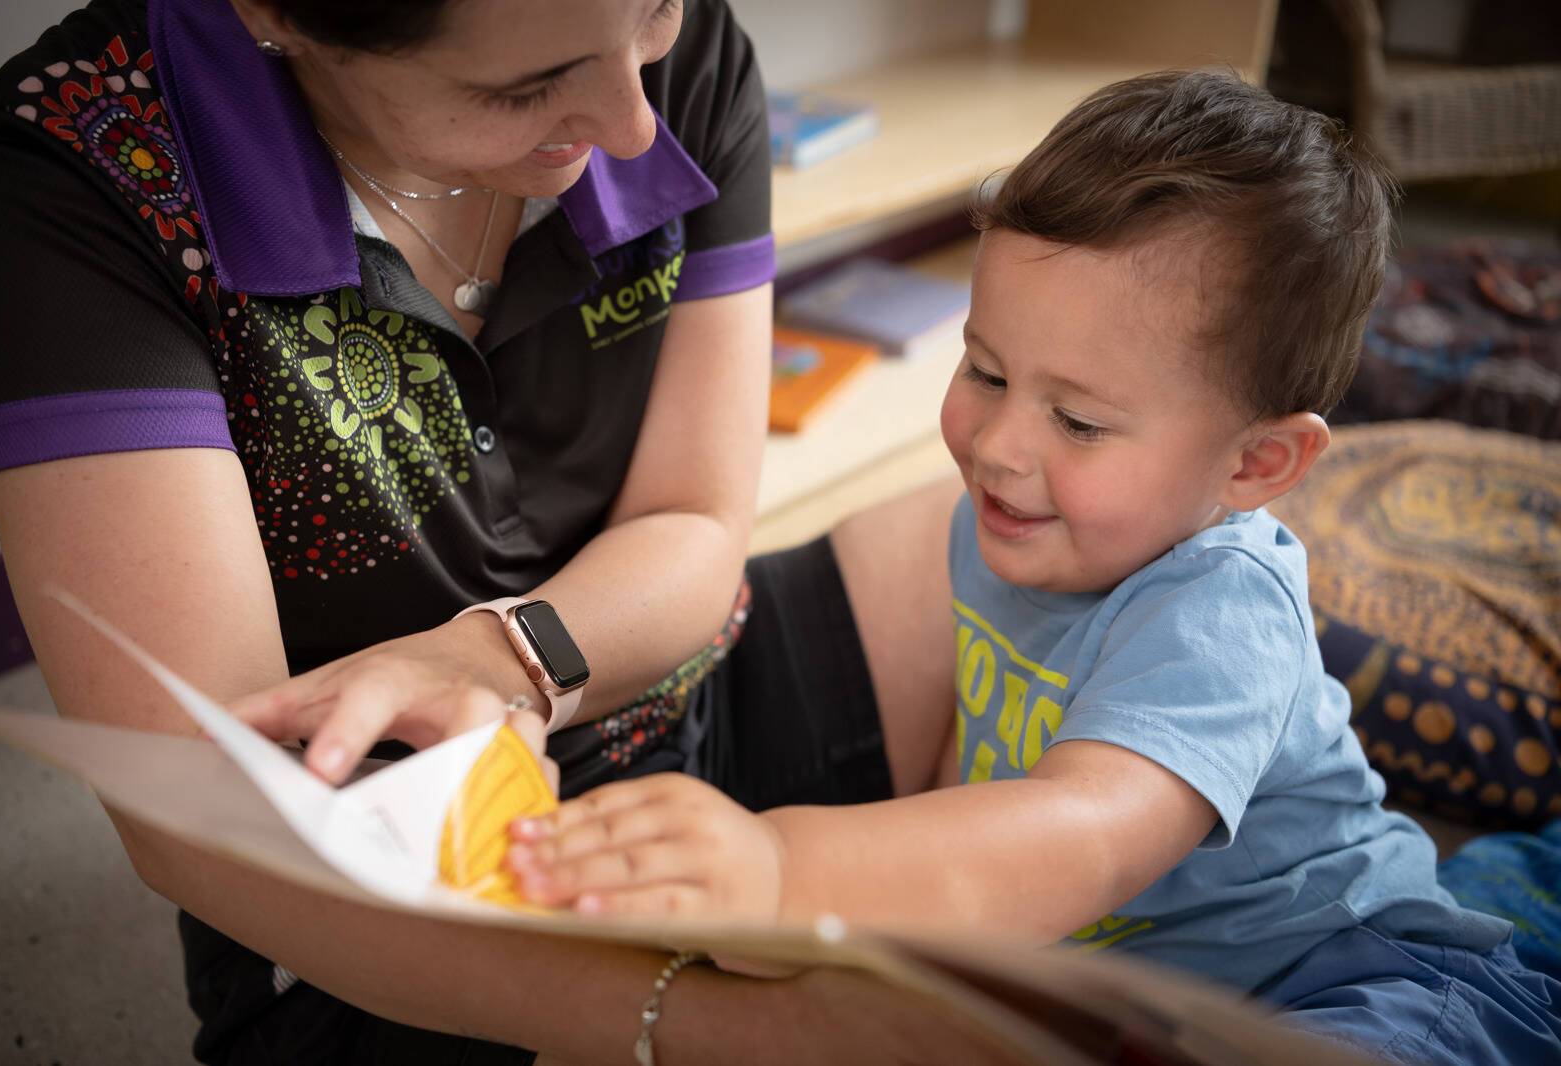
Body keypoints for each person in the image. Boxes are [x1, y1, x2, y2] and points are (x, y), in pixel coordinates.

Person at [0, 0, 981, 1062]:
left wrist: (503, 658)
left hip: (675, 681)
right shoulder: (71, 174)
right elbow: (209, 810)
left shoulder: (665, 58)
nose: (634, 124)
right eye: (524, 89)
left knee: (1043, 562)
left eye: (656, 14)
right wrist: (714, 1021)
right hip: (385, 872)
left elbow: (694, 520)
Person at [499, 70, 1561, 1065]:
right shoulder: (1014, 525)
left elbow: (1082, 832)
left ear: (1256, 464)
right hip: (1131, 993)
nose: (999, 447)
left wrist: (782, 869)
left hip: (1353, 980)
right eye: (987, 370)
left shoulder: (1220, 615)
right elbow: (982, 771)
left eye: (1080, 421)